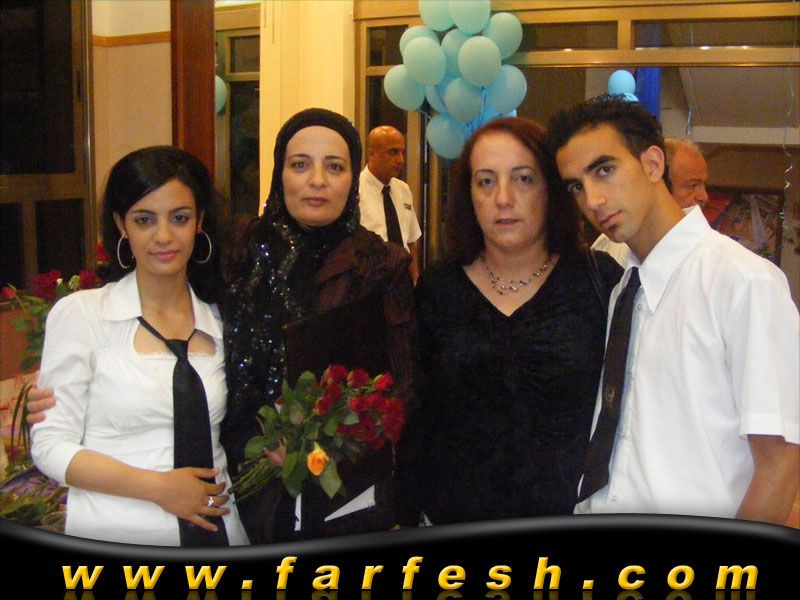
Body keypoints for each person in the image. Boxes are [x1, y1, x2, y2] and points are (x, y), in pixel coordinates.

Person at [549, 94, 800, 523]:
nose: (592, 200)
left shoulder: (742, 282)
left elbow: (780, 463)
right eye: (576, 185)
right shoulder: (624, 286)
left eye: (604, 170)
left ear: (652, 164)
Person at [393, 117, 622, 527]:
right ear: (468, 195)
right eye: (486, 181)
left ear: (551, 189)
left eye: (523, 179)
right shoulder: (438, 288)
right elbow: (418, 415)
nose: (503, 198)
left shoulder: (598, 281)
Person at [29, 146, 249, 545]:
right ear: (121, 225)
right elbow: (50, 446)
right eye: (144, 219)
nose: (163, 236)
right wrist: (160, 488)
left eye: (179, 218)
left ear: (200, 221)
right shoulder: (84, 315)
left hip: (221, 532)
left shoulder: (221, 320)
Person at [221, 108, 415, 542]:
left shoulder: (381, 265)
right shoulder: (240, 251)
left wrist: (328, 442)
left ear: (352, 179)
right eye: (300, 165)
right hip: (237, 482)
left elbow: (403, 384)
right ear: (280, 173)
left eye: (335, 167)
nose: (317, 181)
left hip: (344, 491)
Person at [592, 137, 709, 265]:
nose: (704, 196)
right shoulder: (620, 244)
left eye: (704, 185)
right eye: (692, 186)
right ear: (662, 181)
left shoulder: (711, 254)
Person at [359, 125, 422, 281]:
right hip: (370, 281)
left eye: (402, 152)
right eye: (393, 152)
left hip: (402, 280)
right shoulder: (354, 191)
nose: (401, 160)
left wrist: (415, 280)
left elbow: (411, 242)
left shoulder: (403, 189)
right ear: (372, 154)